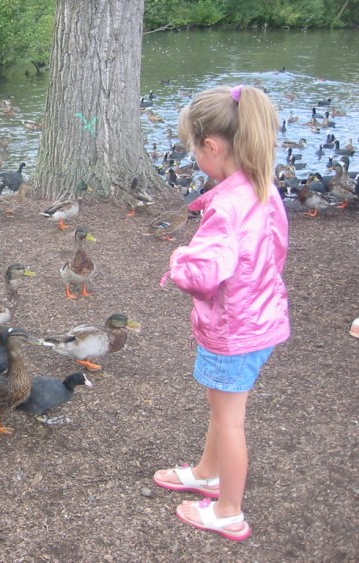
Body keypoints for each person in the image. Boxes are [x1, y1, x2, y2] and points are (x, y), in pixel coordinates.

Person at [154, 85, 290, 541]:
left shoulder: (227, 209)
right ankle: (207, 472)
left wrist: (178, 261)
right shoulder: (264, 189)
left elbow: (203, 276)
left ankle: (229, 510)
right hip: (261, 321)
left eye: (194, 148)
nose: (194, 156)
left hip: (234, 331)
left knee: (230, 419)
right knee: (221, 409)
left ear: (211, 147)